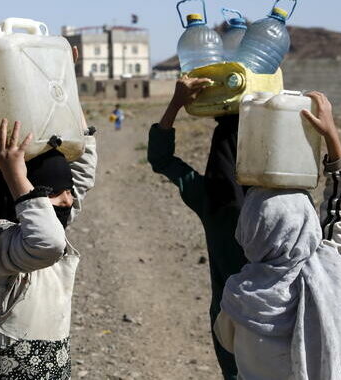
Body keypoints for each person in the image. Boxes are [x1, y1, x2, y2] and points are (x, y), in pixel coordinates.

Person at [213, 92, 341, 379]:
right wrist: (332, 139)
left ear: (247, 231)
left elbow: (226, 340)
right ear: (308, 225)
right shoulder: (326, 270)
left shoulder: (237, 297)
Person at [0, 118, 97, 379]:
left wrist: (79, 127)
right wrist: (16, 176)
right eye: (54, 193)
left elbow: (79, 178)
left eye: (68, 191)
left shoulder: (40, 222)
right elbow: (48, 241)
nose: (68, 200)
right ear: (16, 193)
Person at [147, 76, 248, 380]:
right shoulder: (277, 202)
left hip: (228, 320)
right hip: (281, 321)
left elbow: (160, 158)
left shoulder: (209, 198)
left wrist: (176, 104)